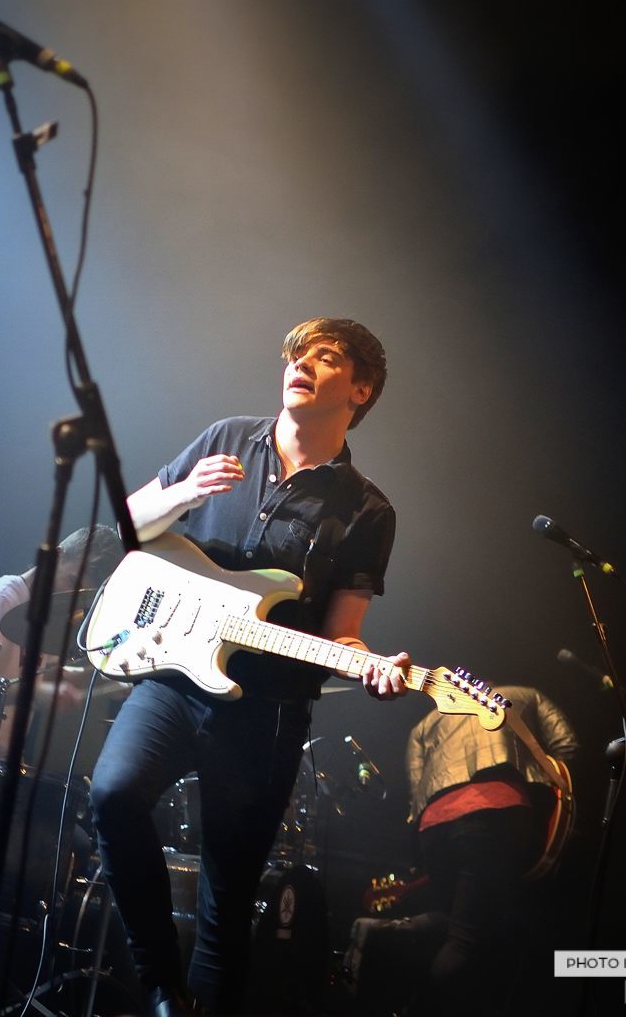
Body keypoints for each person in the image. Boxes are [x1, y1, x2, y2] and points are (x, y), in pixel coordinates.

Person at [89, 317, 410, 1016]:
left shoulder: (366, 509)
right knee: (113, 794)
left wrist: (372, 668)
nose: (303, 364)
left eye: (326, 358)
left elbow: (343, 635)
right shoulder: (227, 436)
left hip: (265, 712)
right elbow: (128, 523)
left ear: (359, 390)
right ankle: (162, 987)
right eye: (299, 353)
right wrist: (183, 494)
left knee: (226, 902)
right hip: (174, 677)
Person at [402, 684, 579, 1015]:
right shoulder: (527, 695)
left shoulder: (425, 722)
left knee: (452, 923)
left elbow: (415, 792)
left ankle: (392, 933)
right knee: (469, 941)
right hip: (495, 814)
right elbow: (566, 745)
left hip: (434, 824)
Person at [0, 525, 124, 765]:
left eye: (81, 594)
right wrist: (34, 693)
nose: (72, 598)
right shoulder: (0, 598)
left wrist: (105, 679)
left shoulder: (47, 614)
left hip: (4, 760)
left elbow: (44, 675)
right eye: (71, 581)